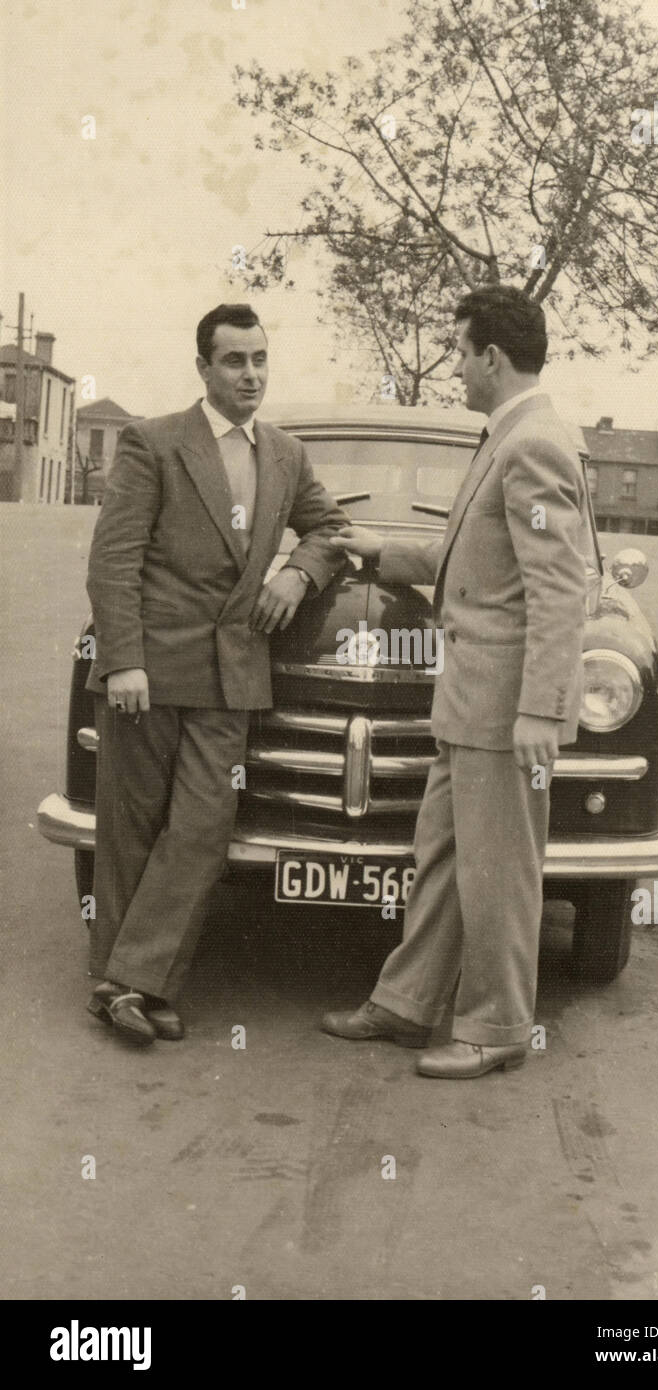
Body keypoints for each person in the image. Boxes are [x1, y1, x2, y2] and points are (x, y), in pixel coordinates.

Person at [321, 285, 588, 1079]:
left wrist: (542, 710)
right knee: (441, 857)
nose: (457, 368)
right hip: (469, 704)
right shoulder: (506, 436)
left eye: (461, 351)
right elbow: (471, 561)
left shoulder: (533, 443)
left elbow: (560, 587)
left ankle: (498, 1025)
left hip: (505, 710)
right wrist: (379, 550)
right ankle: (406, 1002)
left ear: (493, 358)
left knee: (499, 871)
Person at [85, 303, 348, 1045]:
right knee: (131, 830)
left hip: (233, 677)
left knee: (202, 828)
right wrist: (124, 660)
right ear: (203, 368)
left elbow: (331, 529)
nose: (251, 374)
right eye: (235, 361)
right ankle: (134, 985)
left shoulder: (287, 455)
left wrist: (298, 572)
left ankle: (126, 984)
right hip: (152, 669)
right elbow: (114, 561)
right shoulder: (154, 442)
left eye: (260, 359)